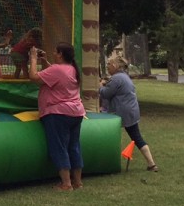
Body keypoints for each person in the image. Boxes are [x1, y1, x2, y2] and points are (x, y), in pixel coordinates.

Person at [28, 43, 86, 191]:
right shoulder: (72, 69)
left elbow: (34, 77)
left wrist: (33, 59)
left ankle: (66, 184)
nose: (53, 53)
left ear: (60, 54)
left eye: (55, 51)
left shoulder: (57, 70)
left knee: (59, 147)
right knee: (74, 146)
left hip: (58, 113)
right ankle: (78, 182)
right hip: (76, 112)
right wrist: (45, 62)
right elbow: (56, 75)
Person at [100, 56, 159, 172]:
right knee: (137, 137)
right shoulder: (124, 77)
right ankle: (151, 164)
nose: (107, 66)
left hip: (122, 112)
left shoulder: (116, 79)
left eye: (109, 64)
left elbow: (106, 94)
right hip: (132, 111)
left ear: (115, 66)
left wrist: (100, 86)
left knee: (108, 135)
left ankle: (106, 161)